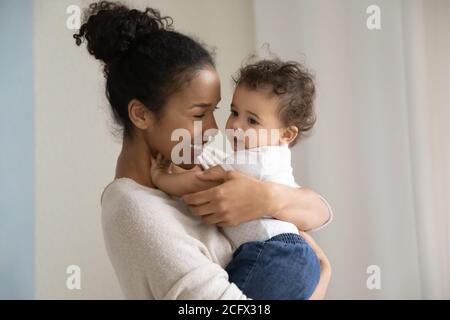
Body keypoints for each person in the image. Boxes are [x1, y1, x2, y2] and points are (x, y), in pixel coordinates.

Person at [74, 1, 332, 299]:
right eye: (198, 114)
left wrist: (267, 197)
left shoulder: (197, 165)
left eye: (216, 111)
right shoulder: (134, 209)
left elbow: (320, 211)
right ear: (141, 115)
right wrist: (322, 279)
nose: (214, 129)